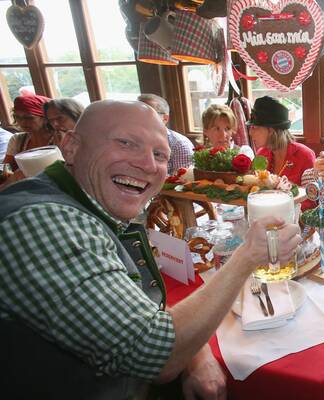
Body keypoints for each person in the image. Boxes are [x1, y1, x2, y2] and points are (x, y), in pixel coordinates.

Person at [0, 100, 301, 399]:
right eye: (126, 143)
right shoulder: (44, 222)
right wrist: (246, 256)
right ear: (71, 146)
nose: (147, 165)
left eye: (159, 154)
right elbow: (157, 355)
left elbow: (137, 306)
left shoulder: (91, 206)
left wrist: (198, 357)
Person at [248, 96, 316, 187]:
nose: (250, 133)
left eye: (254, 127)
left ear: (271, 130)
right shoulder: (261, 154)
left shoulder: (304, 155)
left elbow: (311, 198)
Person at [138, 93, 194, 175]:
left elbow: (183, 182)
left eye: (148, 113)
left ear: (165, 118)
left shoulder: (179, 144)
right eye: (137, 113)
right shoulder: (128, 140)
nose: (140, 118)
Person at [2, 94, 53, 175]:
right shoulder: (18, 140)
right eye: (17, 117)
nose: (22, 122)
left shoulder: (58, 139)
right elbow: (6, 168)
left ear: (45, 118)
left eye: (29, 118)